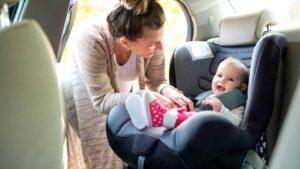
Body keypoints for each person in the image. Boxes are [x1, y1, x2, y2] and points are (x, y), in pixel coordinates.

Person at [67, 0, 194, 169]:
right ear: (125, 43)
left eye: (161, 38)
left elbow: (156, 81)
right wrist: (142, 97)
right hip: (85, 93)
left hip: (122, 93)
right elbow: (102, 101)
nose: (161, 46)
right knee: (102, 153)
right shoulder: (91, 40)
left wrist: (168, 92)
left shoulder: (151, 35)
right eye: (153, 43)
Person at [125, 57, 249, 129]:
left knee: (178, 115)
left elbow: (237, 123)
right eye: (219, 75)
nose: (222, 80)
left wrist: (222, 110)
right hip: (195, 119)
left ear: (242, 87)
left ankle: (161, 117)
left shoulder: (236, 101)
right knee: (174, 104)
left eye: (230, 79)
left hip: (206, 130)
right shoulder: (210, 95)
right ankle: (147, 113)